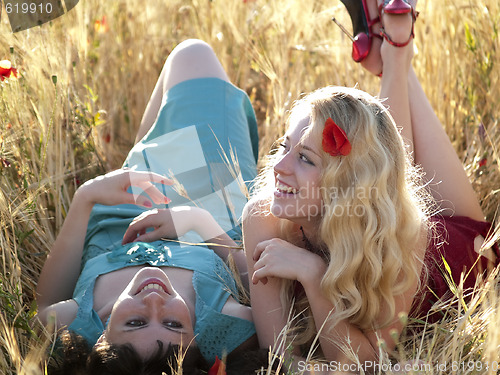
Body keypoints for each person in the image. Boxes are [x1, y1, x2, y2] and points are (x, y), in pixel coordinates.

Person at [243, 0, 498, 368]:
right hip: (381, 205)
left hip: (463, 255)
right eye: (285, 147)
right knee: (377, 153)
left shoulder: (400, 240)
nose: (278, 167)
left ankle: (395, 50)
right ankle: (396, 51)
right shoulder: (263, 219)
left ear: (346, 185)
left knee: (379, 162)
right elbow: (281, 361)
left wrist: (314, 277)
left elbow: (364, 365)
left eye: (304, 157)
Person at [36, 39, 261, 372]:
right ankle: (155, 145)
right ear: (199, 338)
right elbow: (273, 301)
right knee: (192, 55)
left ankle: (147, 150)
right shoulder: (225, 324)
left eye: (136, 322)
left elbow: (43, 303)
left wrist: (86, 196)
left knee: (185, 62)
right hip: (208, 208)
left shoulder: (76, 324)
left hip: (119, 211)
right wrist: (196, 221)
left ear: (103, 337)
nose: (155, 301)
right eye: (173, 324)